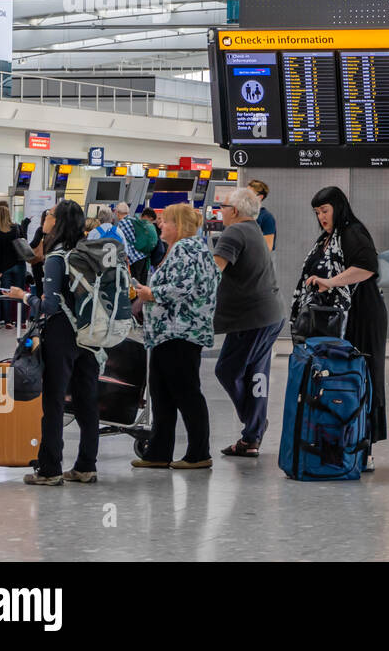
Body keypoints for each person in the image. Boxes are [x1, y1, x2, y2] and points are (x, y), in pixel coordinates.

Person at [6, 201, 100, 485]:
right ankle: (86, 465)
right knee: (86, 400)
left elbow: (49, 306)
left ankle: (50, 468)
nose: (44, 220)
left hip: (61, 334)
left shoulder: (58, 257)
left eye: (48, 216)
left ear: (56, 222)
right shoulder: (88, 253)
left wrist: (23, 297)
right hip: (90, 333)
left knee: (54, 401)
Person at [297, 186, 389, 464]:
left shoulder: (352, 232)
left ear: (339, 207)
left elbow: (367, 266)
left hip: (362, 314)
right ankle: (342, 440)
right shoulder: (327, 238)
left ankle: (364, 446)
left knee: (363, 376)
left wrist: (331, 282)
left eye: (325, 211)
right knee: (336, 376)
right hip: (339, 318)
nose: (321, 217)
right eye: (317, 213)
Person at [132, 204, 218, 470]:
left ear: (178, 226)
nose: (160, 226)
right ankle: (158, 452)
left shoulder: (185, 248)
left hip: (178, 331)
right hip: (172, 332)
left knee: (185, 393)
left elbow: (181, 287)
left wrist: (148, 293)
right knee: (163, 393)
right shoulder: (196, 248)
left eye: (165, 222)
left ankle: (198, 452)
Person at [212, 187, 285, 458]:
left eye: (223, 207)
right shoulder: (254, 229)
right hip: (270, 314)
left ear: (236, 211)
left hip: (251, 319)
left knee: (227, 371)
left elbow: (213, 272)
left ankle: (254, 426)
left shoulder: (234, 232)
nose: (221, 212)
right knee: (256, 374)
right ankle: (251, 438)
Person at [0, 201, 24, 329]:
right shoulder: (16, 228)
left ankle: (8, 321)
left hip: (5, 267)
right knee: (20, 293)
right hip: (19, 264)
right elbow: (23, 242)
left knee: (6, 294)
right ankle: (21, 320)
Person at [113, 202, 148, 285]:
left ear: (118, 213)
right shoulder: (135, 220)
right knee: (142, 283)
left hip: (134, 257)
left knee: (134, 283)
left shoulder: (121, 224)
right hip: (143, 255)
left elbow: (119, 242)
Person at [248, 179, 276, 252]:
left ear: (260, 197)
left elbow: (268, 247)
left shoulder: (267, 218)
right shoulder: (241, 214)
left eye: (249, 194)